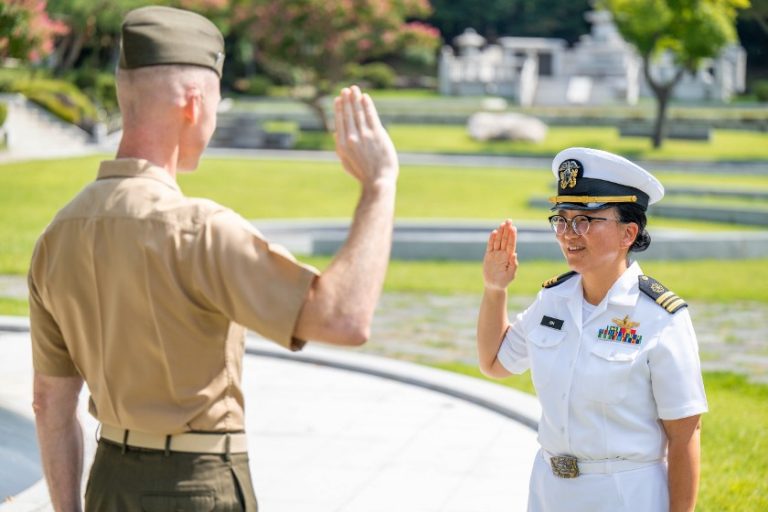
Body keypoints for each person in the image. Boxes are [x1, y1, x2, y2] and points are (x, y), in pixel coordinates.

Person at [29, 5, 399, 511]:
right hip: (196, 485)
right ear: (193, 102)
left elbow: (50, 405)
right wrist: (379, 186)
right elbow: (344, 319)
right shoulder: (197, 228)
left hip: (107, 484)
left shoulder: (58, 235)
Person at [477, 147, 708, 512]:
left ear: (628, 233)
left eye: (586, 220)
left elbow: (685, 435)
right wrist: (495, 289)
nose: (569, 233)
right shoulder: (552, 300)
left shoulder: (661, 317)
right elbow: (495, 363)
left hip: (624, 493)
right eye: (562, 220)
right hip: (549, 490)